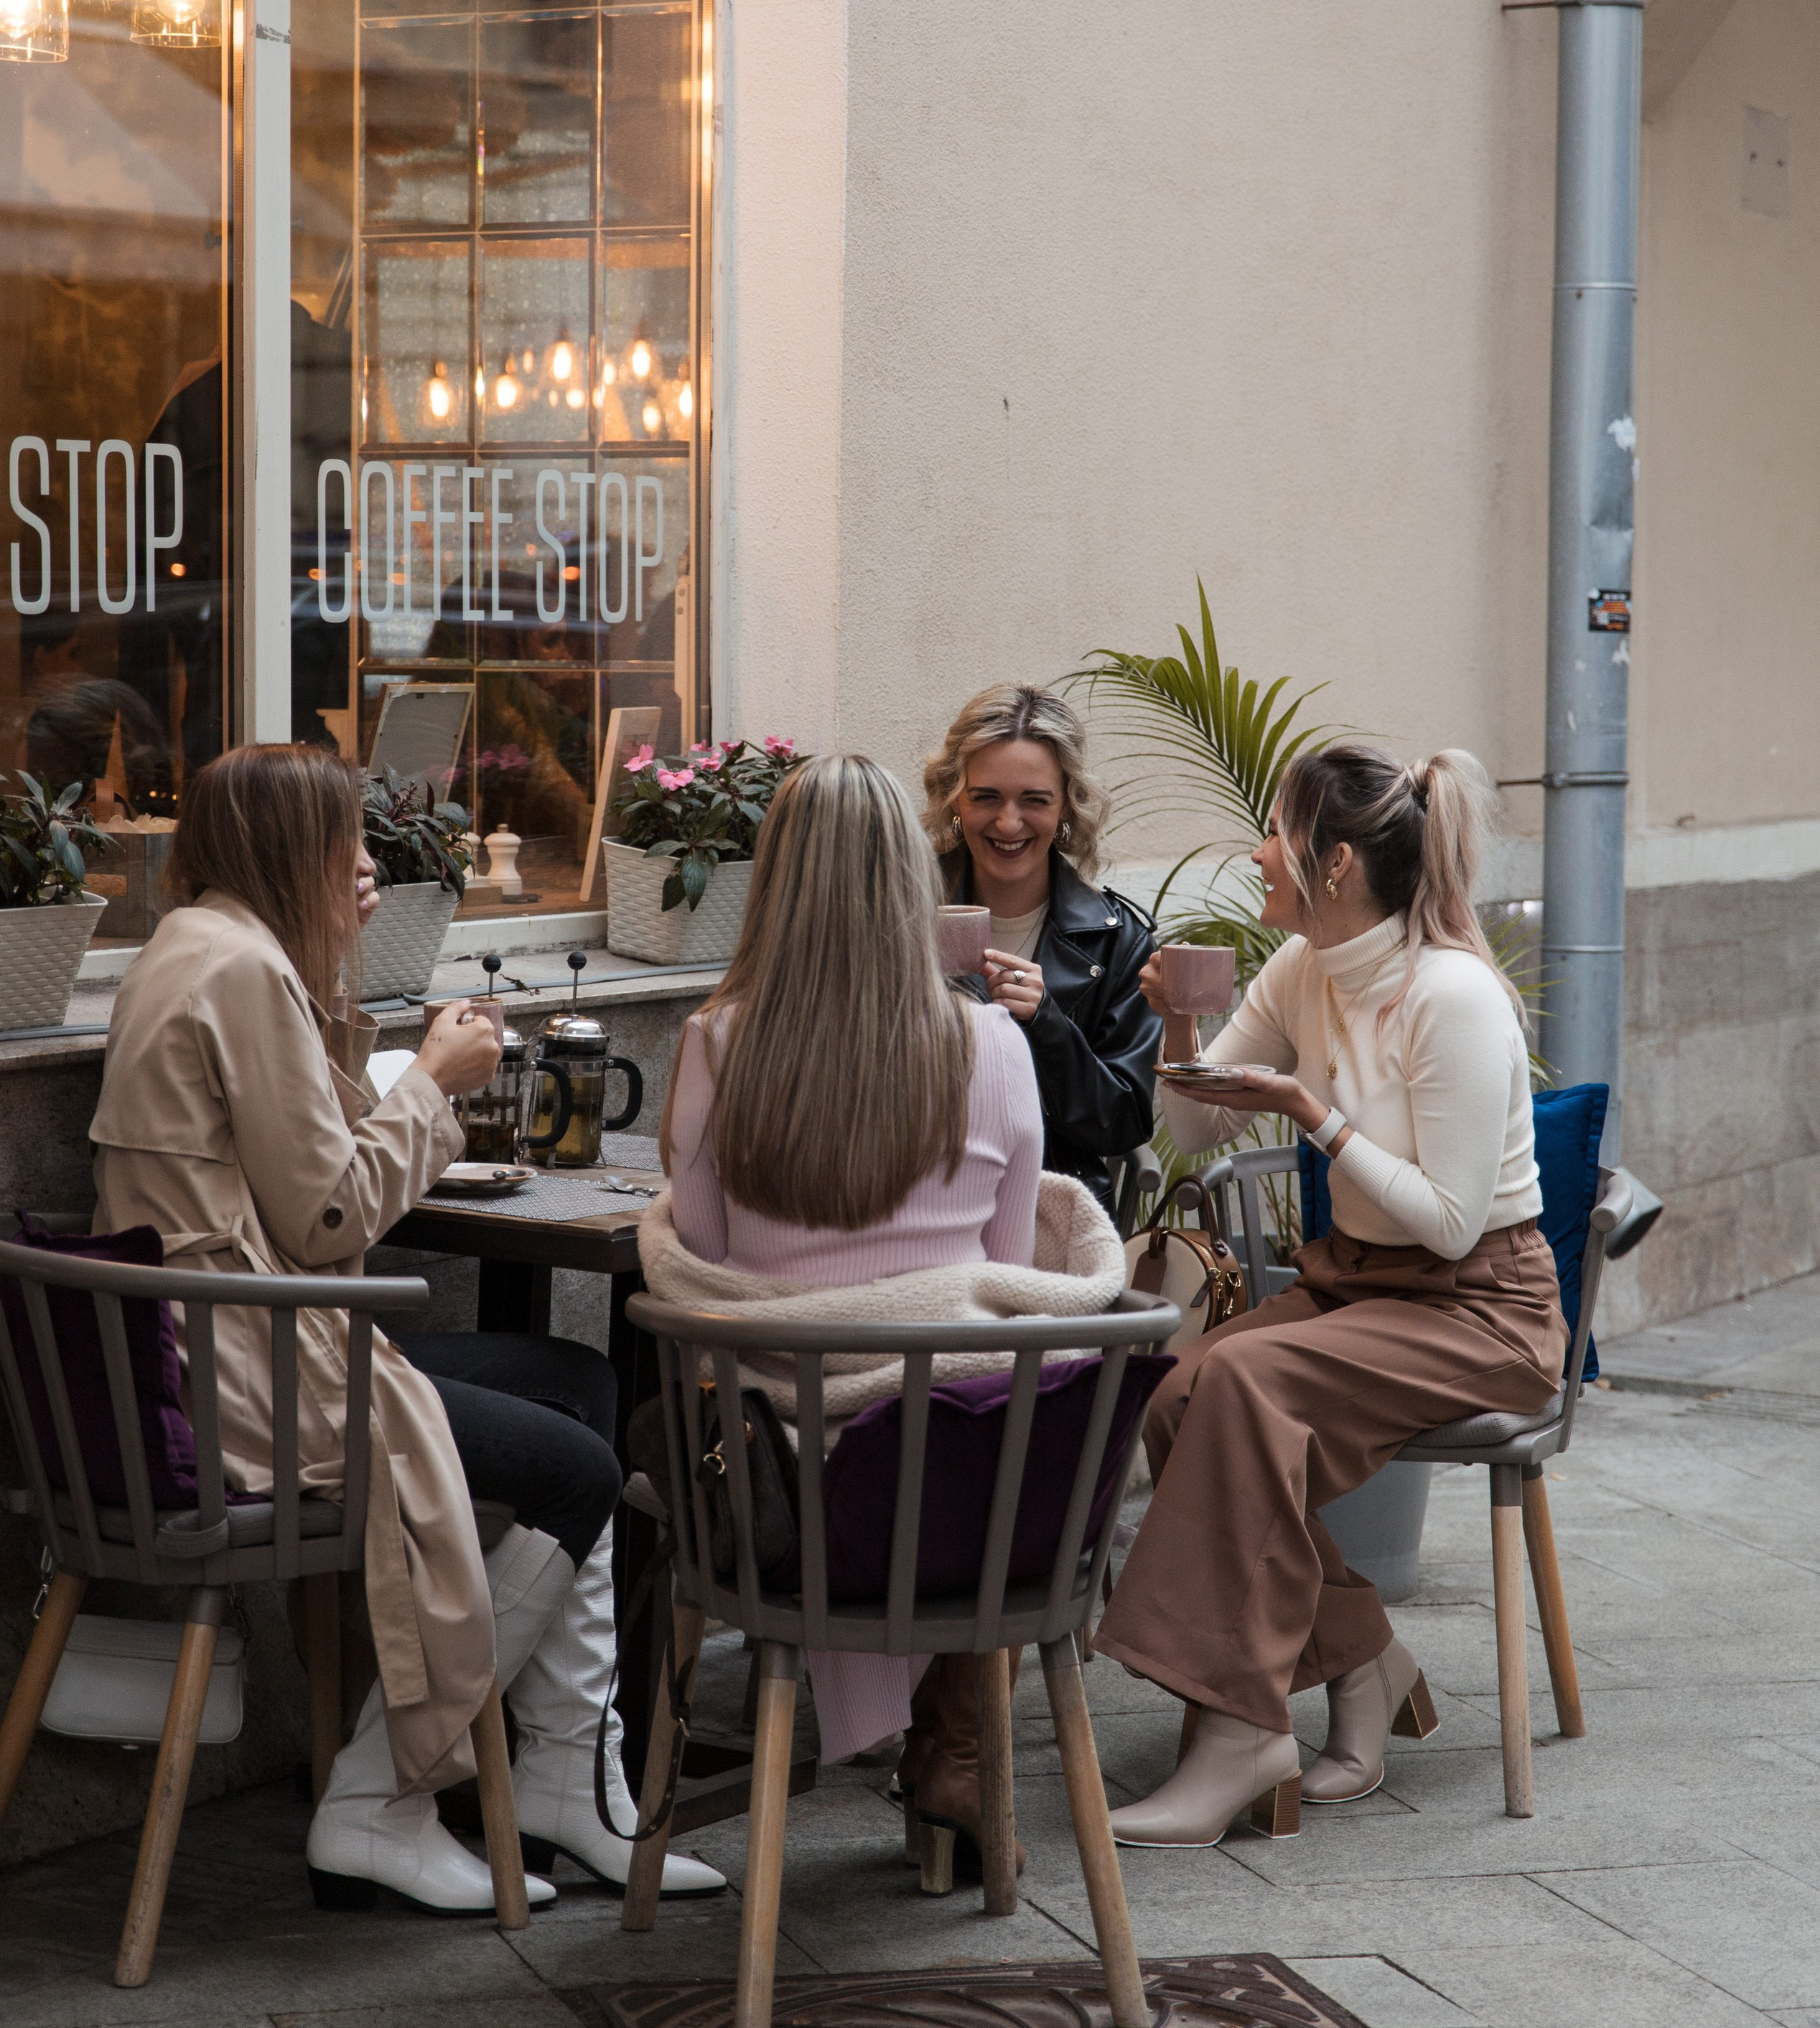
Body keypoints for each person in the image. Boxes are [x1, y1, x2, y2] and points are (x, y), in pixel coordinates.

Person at [90, 743, 721, 1912]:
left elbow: (295, 1151)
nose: (368, 863)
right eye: (351, 841)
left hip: (228, 1347)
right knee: (581, 1468)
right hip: (260, 1372)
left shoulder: (210, 949)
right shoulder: (236, 972)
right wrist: (435, 1078)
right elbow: (330, 1213)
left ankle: (560, 1783)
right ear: (297, 851)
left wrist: (337, 972)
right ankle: (383, 1797)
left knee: (575, 1381)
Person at [646, 752, 1122, 1869]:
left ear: (774, 884)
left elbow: (712, 1268)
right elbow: (1004, 1278)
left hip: (792, 1515)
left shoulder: (716, 1044)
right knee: (963, 1407)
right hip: (970, 1515)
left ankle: (914, 1750)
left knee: (668, 1433)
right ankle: (955, 1750)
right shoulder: (995, 1048)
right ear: (913, 884)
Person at [1096, 742, 1564, 1847]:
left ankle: (1238, 1732)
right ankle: (1363, 1658)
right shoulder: (1303, 965)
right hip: (1359, 1286)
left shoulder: (1451, 996)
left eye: (1277, 833)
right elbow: (1198, 1130)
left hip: (1480, 1306)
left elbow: (1449, 1222)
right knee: (1176, 1392)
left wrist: (1312, 1113)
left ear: (1336, 860)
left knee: (1247, 1380)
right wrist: (1178, 1025)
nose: (1258, 853)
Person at [923, 683, 1159, 1213]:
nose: (1009, 823)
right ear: (954, 800)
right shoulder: (900, 912)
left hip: (1050, 1207)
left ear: (1067, 808)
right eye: (986, 797)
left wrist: (1048, 1024)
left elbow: (1121, 1123)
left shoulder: (1118, 938)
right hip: (913, 1197)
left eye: (1035, 800)